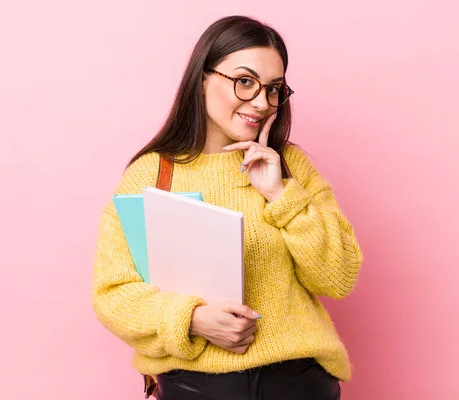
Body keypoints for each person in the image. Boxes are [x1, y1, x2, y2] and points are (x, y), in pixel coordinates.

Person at [92, 15, 363, 400]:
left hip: (300, 384)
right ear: (203, 78)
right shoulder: (152, 174)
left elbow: (338, 276)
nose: (262, 102)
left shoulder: (290, 167)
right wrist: (191, 319)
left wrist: (280, 194)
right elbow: (112, 294)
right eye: (245, 81)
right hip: (196, 387)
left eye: (273, 89)